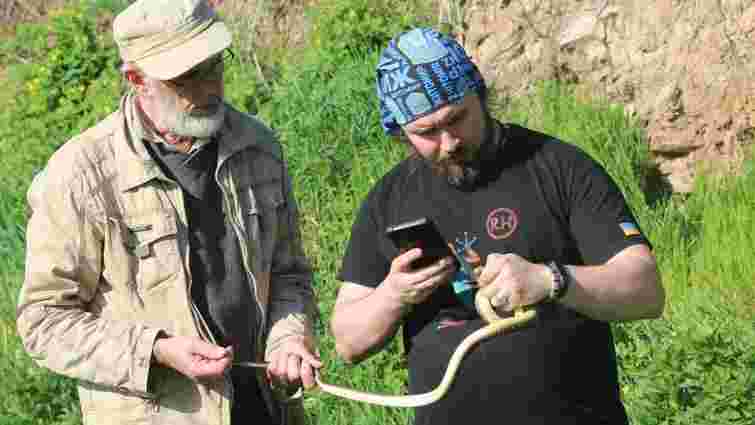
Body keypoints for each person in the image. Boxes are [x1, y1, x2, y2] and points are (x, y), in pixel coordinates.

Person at [330, 27, 665, 425]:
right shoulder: (389, 199)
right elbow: (348, 341)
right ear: (400, 130)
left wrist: (550, 280)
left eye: (457, 118)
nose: (449, 141)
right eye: (426, 133)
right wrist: (394, 294)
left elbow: (645, 290)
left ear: (479, 92)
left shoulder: (559, 167)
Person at [16, 1, 321, 424]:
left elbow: (289, 273)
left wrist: (288, 338)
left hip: (266, 410)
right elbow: (43, 322)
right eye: (186, 78)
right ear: (137, 79)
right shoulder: (80, 176)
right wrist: (155, 349)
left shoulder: (258, 147)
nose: (209, 88)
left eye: (213, 66)